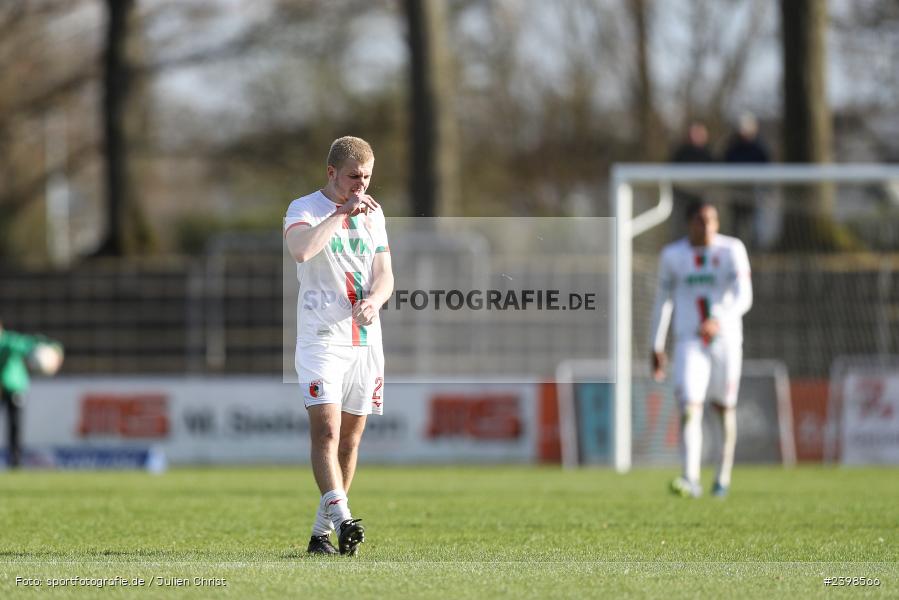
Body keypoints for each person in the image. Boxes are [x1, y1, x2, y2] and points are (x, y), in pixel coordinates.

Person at [283, 136, 393, 555]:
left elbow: (385, 275)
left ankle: (320, 535)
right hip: (321, 338)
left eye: (366, 177)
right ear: (331, 173)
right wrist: (341, 213)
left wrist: (375, 299)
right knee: (326, 431)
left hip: (364, 341)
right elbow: (301, 250)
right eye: (352, 177)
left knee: (350, 440)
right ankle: (346, 520)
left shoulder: (375, 215)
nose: (360, 185)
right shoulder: (304, 208)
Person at [649, 202, 752, 498]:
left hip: (727, 340)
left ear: (717, 223)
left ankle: (722, 477)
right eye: (699, 220)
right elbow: (662, 301)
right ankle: (690, 477)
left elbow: (745, 296)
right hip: (689, 341)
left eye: (711, 220)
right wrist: (656, 344)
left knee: (723, 409)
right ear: (688, 223)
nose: (706, 226)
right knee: (689, 406)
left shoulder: (732, 250)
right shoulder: (672, 256)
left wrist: (719, 319)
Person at [0, 321, 63, 468]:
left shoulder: (10, 342)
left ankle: (15, 461)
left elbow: (33, 342)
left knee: (15, 426)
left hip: (13, 388)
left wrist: (55, 350)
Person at [723, 112, 772, 245]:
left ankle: (756, 250)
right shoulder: (732, 147)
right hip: (736, 192)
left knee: (755, 226)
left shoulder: (759, 148)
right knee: (736, 225)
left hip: (754, 193)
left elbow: (766, 168)